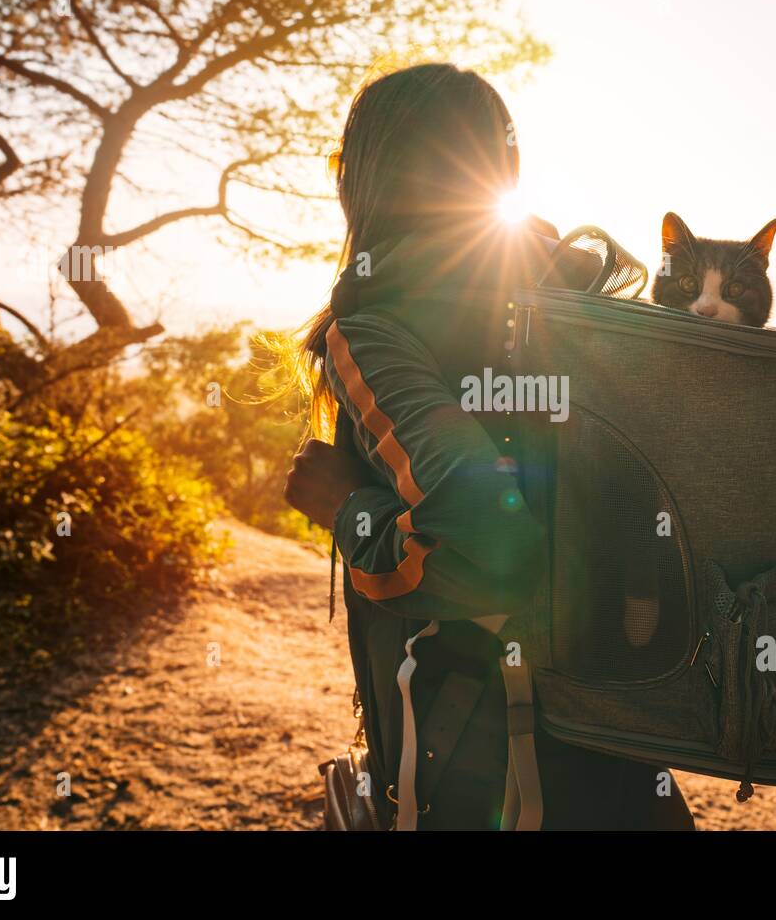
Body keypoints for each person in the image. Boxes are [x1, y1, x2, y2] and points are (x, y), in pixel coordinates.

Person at [283, 62, 693, 830]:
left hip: (487, 781)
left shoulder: (377, 328)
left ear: (367, 179)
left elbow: (494, 554)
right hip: (624, 770)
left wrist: (345, 509)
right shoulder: (583, 304)